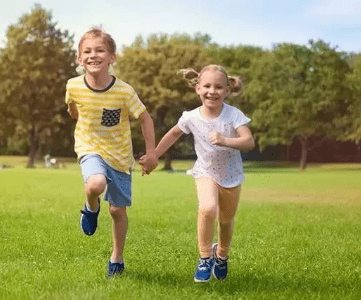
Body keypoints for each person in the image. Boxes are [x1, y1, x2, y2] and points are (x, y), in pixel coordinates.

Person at [141, 65, 254, 282]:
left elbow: (248, 141)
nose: (213, 91)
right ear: (197, 89)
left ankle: (221, 255)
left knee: (226, 220)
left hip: (231, 175)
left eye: (219, 87)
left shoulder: (233, 115)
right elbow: (173, 134)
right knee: (207, 208)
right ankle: (204, 258)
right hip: (205, 172)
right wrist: (153, 156)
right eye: (207, 86)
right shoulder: (191, 117)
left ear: (228, 90)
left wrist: (225, 140)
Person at [65, 27, 158, 279]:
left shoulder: (124, 91)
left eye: (100, 50)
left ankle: (116, 257)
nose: (93, 55)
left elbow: (145, 118)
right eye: (87, 51)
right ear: (79, 58)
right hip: (89, 149)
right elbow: (73, 108)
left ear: (112, 57)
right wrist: (77, 116)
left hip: (119, 156)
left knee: (117, 211)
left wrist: (151, 153)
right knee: (95, 184)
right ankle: (90, 207)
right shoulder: (73, 86)